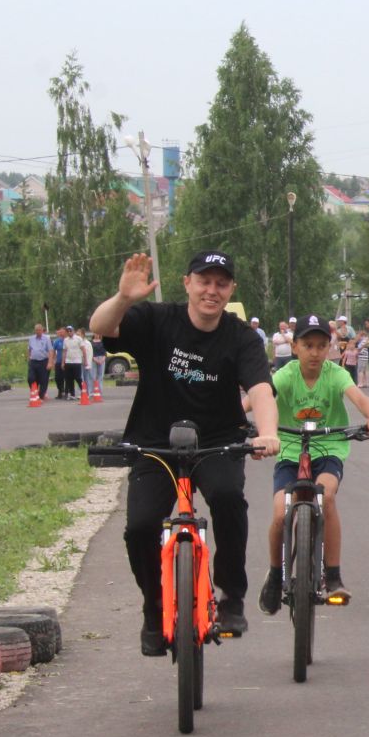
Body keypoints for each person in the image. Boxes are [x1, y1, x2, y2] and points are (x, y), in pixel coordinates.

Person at [92, 249, 277, 653]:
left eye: (221, 283)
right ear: (187, 282)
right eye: (204, 281)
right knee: (140, 526)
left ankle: (230, 595)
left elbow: (260, 388)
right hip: (154, 442)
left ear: (231, 289)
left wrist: (267, 432)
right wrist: (124, 298)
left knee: (228, 499)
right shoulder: (158, 320)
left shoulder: (240, 336)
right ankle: (154, 607)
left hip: (216, 442)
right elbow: (101, 326)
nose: (212, 290)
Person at [259, 313, 369, 614]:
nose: (315, 352)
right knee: (280, 512)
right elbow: (261, 397)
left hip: (329, 448)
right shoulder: (286, 375)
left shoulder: (335, 373)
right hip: (290, 450)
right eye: (308, 345)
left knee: (325, 495)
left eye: (321, 345)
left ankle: (332, 576)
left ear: (330, 348)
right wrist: (235, 419)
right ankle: (276, 576)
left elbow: (357, 397)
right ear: (295, 347)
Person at [26, 323, 52, 399]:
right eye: (36, 330)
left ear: (42, 330)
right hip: (33, 361)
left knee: (43, 380)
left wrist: (50, 362)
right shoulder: (31, 339)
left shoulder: (46, 339)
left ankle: (41, 395)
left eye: (39, 330)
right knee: (31, 378)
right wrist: (29, 358)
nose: (38, 331)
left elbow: (50, 350)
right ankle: (34, 391)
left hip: (43, 361)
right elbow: (29, 349)